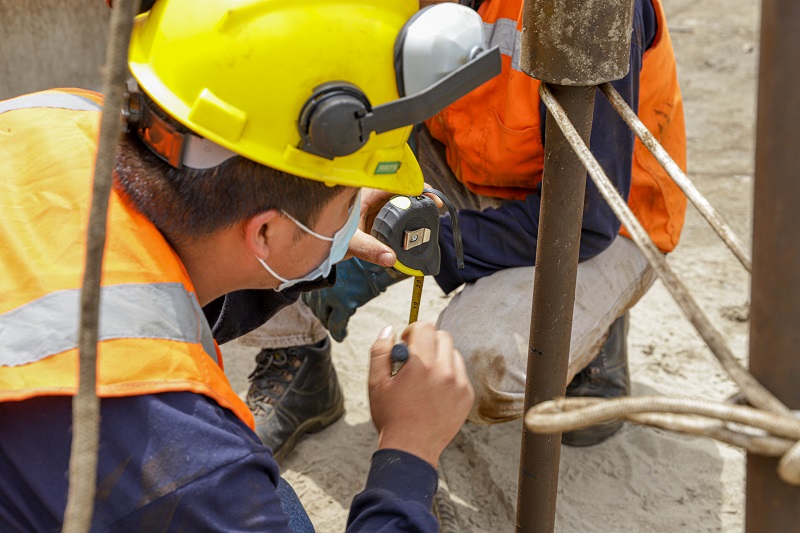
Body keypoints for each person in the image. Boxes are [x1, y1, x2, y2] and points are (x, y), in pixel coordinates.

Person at [0, 1, 478, 530]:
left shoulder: (56, 114)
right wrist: (408, 450)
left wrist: (315, 243)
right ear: (265, 232)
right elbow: (202, 474)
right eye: (348, 202)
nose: (353, 212)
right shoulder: (188, 460)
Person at [242, 0, 687, 458]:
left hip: (607, 218)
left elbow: (587, 221)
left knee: (475, 367)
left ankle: (596, 338)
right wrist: (358, 196)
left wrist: (436, 237)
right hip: (466, 163)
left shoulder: (588, 8)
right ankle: (296, 355)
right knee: (285, 170)